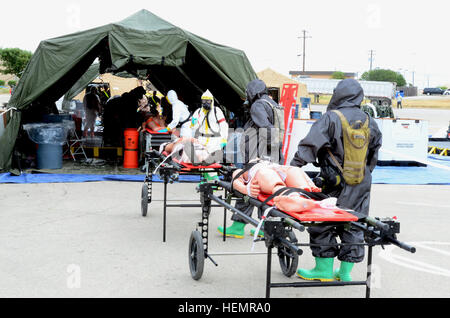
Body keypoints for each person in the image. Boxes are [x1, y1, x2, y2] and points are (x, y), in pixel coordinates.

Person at [290, 78, 382, 282]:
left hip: (334, 181)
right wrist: (363, 174)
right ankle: (345, 273)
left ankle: (323, 270)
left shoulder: (331, 118)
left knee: (323, 221)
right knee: (354, 223)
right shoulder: (369, 120)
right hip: (361, 182)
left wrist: (292, 168)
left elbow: (309, 146)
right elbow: (374, 151)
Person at [218, 79, 284, 239]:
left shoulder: (258, 105)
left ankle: (238, 226)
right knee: (266, 191)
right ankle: (265, 228)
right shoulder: (273, 104)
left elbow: (267, 129)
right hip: (270, 156)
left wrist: (262, 153)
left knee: (247, 187)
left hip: (259, 156)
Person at [190, 90, 229, 162]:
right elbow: (193, 127)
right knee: (201, 161)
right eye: (204, 101)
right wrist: (200, 116)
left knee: (214, 162)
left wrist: (224, 139)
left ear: (212, 101)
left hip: (214, 140)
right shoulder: (198, 111)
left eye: (208, 101)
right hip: (201, 139)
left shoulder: (216, 110)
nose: (206, 103)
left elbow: (224, 126)